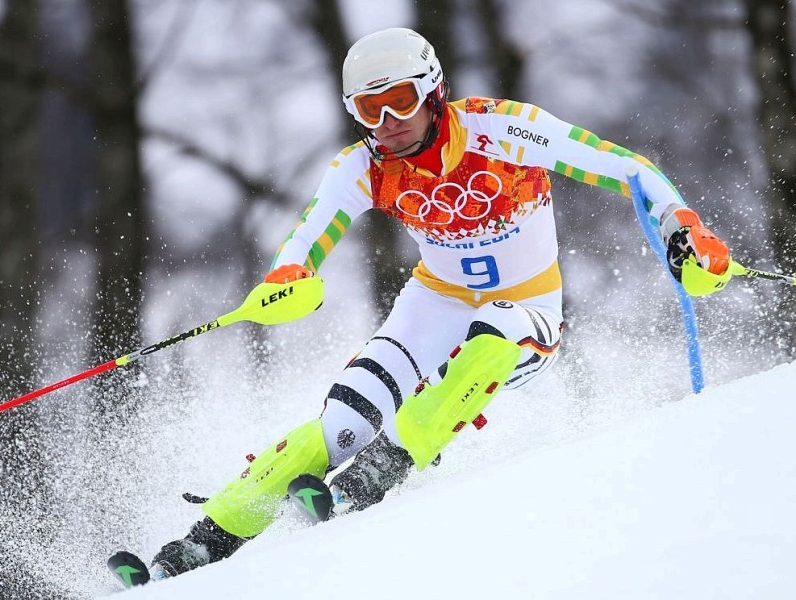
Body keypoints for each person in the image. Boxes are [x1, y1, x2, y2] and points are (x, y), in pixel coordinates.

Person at [146, 27, 730, 579]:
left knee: (493, 333)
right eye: (368, 110)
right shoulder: (364, 168)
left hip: (527, 314)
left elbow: (626, 168)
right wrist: (289, 277)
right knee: (345, 419)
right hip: (433, 303)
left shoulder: (501, 129)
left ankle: (391, 461)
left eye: (400, 100)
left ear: (434, 92)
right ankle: (207, 539)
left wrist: (683, 227)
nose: (388, 123)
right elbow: (309, 233)